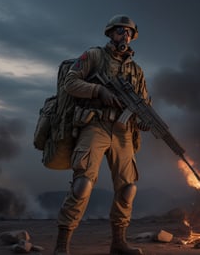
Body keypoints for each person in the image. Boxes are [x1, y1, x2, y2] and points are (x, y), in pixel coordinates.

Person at [54, 14, 151, 255]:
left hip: (123, 132)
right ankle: (61, 246)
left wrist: (144, 119)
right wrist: (98, 90)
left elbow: (144, 101)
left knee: (128, 188)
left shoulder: (136, 71)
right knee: (83, 185)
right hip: (95, 126)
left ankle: (118, 243)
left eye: (128, 33)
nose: (124, 36)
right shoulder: (94, 56)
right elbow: (70, 83)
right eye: (120, 31)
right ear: (110, 33)